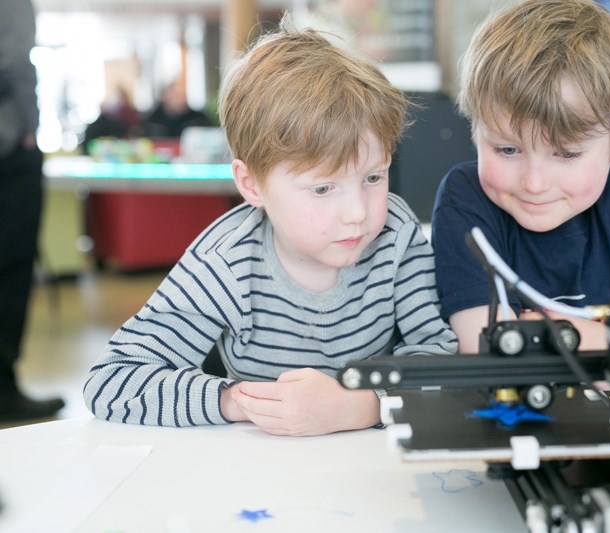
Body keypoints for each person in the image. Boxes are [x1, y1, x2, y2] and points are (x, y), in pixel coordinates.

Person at [83, 18, 458, 436]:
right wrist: (240, 400)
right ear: (251, 184)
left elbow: (442, 362)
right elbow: (111, 381)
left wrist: (360, 408)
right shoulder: (224, 262)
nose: (357, 211)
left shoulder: (397, 234)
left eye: (373, 177)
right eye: (322, 189)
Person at [432, 0, 610, 354]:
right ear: (476, 129)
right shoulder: (466, 199)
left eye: (566, 154)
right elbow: (486, 345)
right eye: (507, 150)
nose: (535, 183)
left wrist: (557, 334)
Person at [0, 0, 65, 422]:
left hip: (13, 144)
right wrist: (28, 128)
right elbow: (14, 58)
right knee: (10, 269)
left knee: (11, 270)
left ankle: (3, 386)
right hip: (10, 147)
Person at [141, 79, 211, 138]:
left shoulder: (198, 119)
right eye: (176, 96)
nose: (181, 100)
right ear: (166, 97)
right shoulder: (153, 121)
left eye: (183, 96)